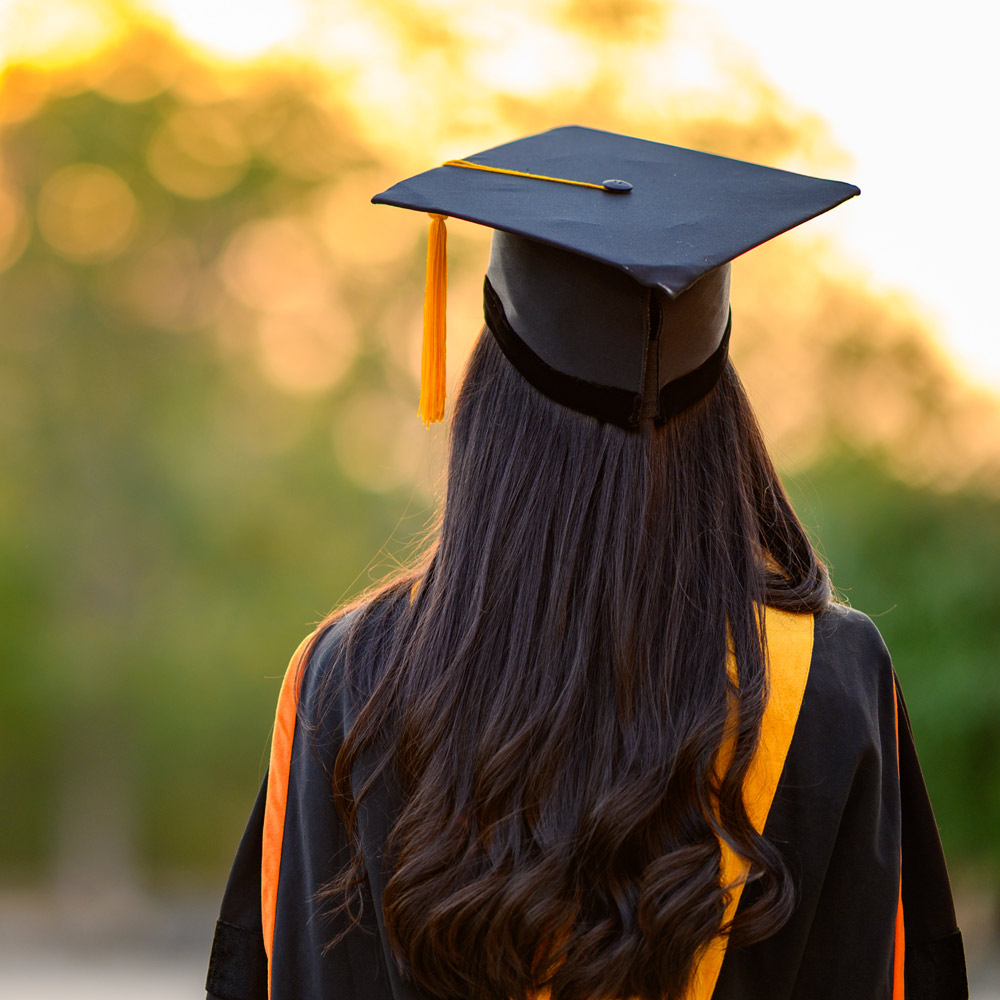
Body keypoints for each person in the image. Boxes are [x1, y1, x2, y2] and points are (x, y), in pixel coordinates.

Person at [205, 126, 968, 1000]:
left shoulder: (351, 678)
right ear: (721, 399)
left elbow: (290, 973)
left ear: (490, 396)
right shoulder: (829, 680)